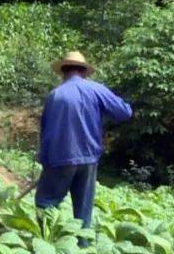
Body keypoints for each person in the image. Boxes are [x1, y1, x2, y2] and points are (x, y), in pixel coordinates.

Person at [36, 51, 132, 241]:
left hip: (59, 158)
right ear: (84, 72)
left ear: (64, 72)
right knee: (83, 210)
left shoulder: (54, 96)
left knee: (46, 202)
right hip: (88, 158)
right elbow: (124, 113)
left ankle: (47, 242)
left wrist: (44, 159)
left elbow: (46, 132)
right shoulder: (96, 89)